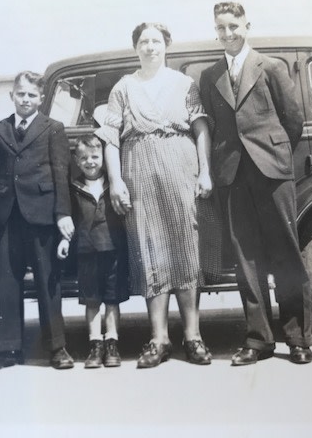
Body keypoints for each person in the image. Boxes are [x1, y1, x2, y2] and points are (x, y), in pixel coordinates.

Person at [199, 2, 312, 365]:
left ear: (247, 25)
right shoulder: (210, 75)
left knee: (285, 255)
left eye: (234, 26)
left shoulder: (272, 67)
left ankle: (298, 339)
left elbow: (292, 120)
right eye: (221, 28)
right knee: (247, 261)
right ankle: (259, 340)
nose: (228, 34)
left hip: (271, 172)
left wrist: (272, 155)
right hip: (232, 176)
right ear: (215, 31)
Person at [95, 22, 214, 368]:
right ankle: (159, 338)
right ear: (135, 48)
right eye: (144, 41)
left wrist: (205, 170)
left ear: (166, 46)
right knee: (150, 249)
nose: (150, 47)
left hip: (181, 165)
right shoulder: (124, 87)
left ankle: (193, 336)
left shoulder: (184, 84)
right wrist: (116, 181)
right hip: (139, 168)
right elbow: (111, 137)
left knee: (185, 246)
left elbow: (201, 127)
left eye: (156, 41)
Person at [0, 71, 75, 371]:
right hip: (7, 217)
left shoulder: (53, 129)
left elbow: (61, 174)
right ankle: (8, 349)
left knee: (48, 282)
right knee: (8, 282)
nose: (26, 100)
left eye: (32, 95)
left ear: (41, 99)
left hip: (42, 215)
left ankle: (57, 348)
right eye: (21, 94)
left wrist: (63, 215)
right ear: (12, 96)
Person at [56, 135, 129, 369]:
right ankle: (95, 344)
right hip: (86, 251)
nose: (90, 162)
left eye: (95, 157)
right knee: (92, 300)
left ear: (104, 159)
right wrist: (65, 241)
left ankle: (112, 342)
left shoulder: (114, 185)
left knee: (112, 299)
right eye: (84, 158)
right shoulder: (74, 188)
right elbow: (71, 220)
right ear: (76, 161)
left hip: (113, 249)